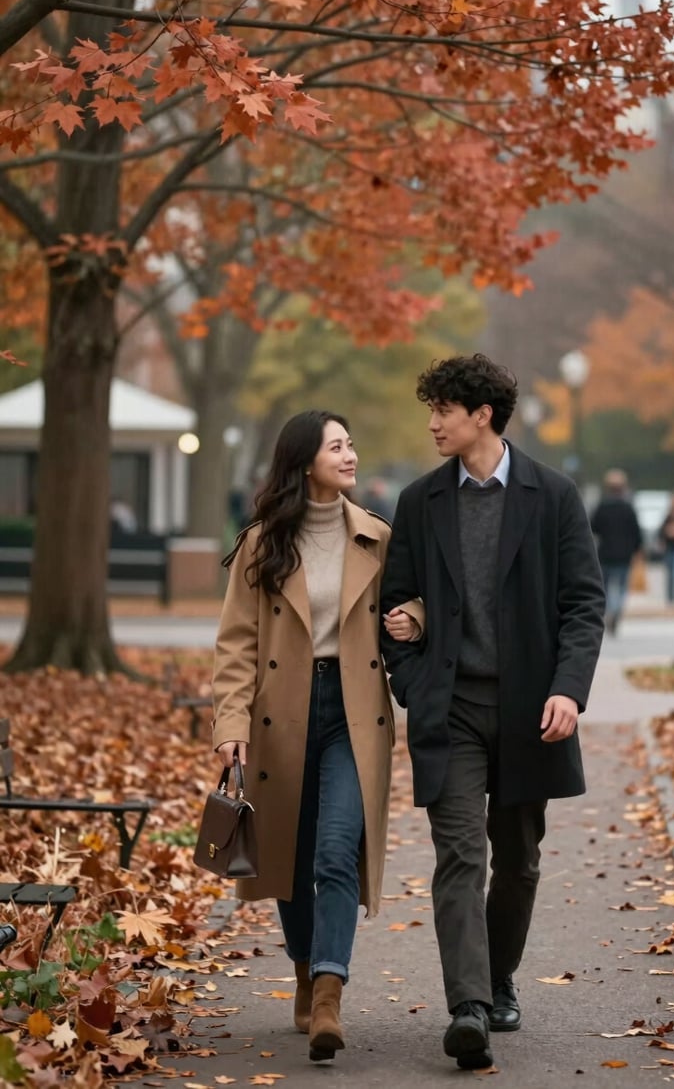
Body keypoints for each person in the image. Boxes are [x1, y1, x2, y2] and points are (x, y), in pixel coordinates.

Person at [380, 354, 605, 1072]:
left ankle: (500, 976)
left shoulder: (555, 495)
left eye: (444, 408)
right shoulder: (420, 501)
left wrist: (568, 688)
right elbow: (395, 602)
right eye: (433, 408)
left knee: (519, 859)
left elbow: (583, 604)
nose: (433, 421)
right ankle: (468, 1006)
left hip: (528, 706)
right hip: (451, 705)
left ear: (483, 414)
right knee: (459, 853)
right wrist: (413, 682)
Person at [210, 410, 422, 1062]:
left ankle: (329, 991)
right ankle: (304, 967)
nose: (351, 453)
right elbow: (236, 644)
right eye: (338, 445)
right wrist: (230, 725)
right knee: (291, 859)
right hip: (282, 713)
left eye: (352, 443)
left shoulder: (378, 538)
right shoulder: (262, 543)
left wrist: (413, 615)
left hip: (354, 713)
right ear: (306, 461)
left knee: (336, 850)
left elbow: (417, 598)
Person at [589, 469, 644, 634]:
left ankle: (609, 611)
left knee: (604, 588)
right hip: (624, 554)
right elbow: (636, 532)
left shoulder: (602, 506)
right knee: (621, 587)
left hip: (605, 553)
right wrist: (637, 549)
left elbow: (593, 526)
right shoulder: (628, 508)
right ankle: (616, 610)